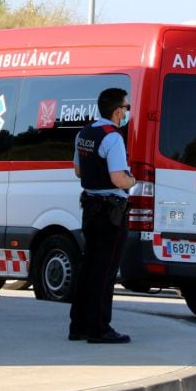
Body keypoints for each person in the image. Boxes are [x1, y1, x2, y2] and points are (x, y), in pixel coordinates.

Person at [69, 87, 136, 343]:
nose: (127, 112)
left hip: (90, 207)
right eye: (127, 107)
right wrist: (133, 179)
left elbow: (77, 171)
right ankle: (99, 328)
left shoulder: (84, 133)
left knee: (88, 267)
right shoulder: (113, 137)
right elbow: (118, 178)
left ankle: (78, 325)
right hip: (111, 211)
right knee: (105, 270)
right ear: (118, 110)